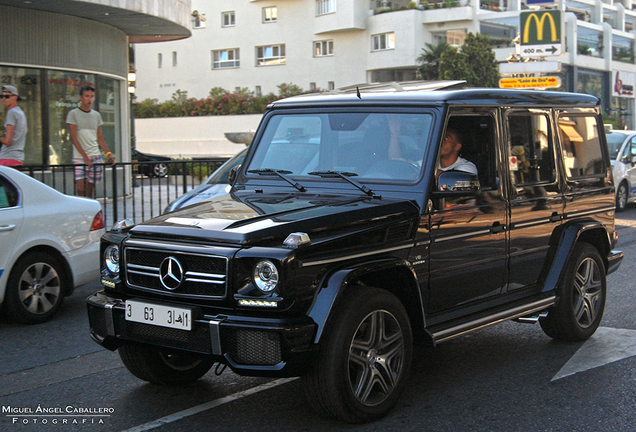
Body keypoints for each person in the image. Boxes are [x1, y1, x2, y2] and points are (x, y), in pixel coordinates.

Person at [67, 86, 115, 198]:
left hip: (95, 155)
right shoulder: (73, 114)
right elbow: (74, 138)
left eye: (92, 96)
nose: (89, 99)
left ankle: (89, 212)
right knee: (80, 188)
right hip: (80, 157)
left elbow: (99, 137)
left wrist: (108, 154)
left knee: (90, 188)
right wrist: (85, 157)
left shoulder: (96, 115)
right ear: (81, 97)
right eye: (87, 96)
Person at [0, 85, 27, 167]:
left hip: (7, 157)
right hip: (17, 158)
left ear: (15, 97)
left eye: (7, 96)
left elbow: (8, 141)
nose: (3, 99)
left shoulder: (11, 113)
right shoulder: (20, 113)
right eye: (1, 96)